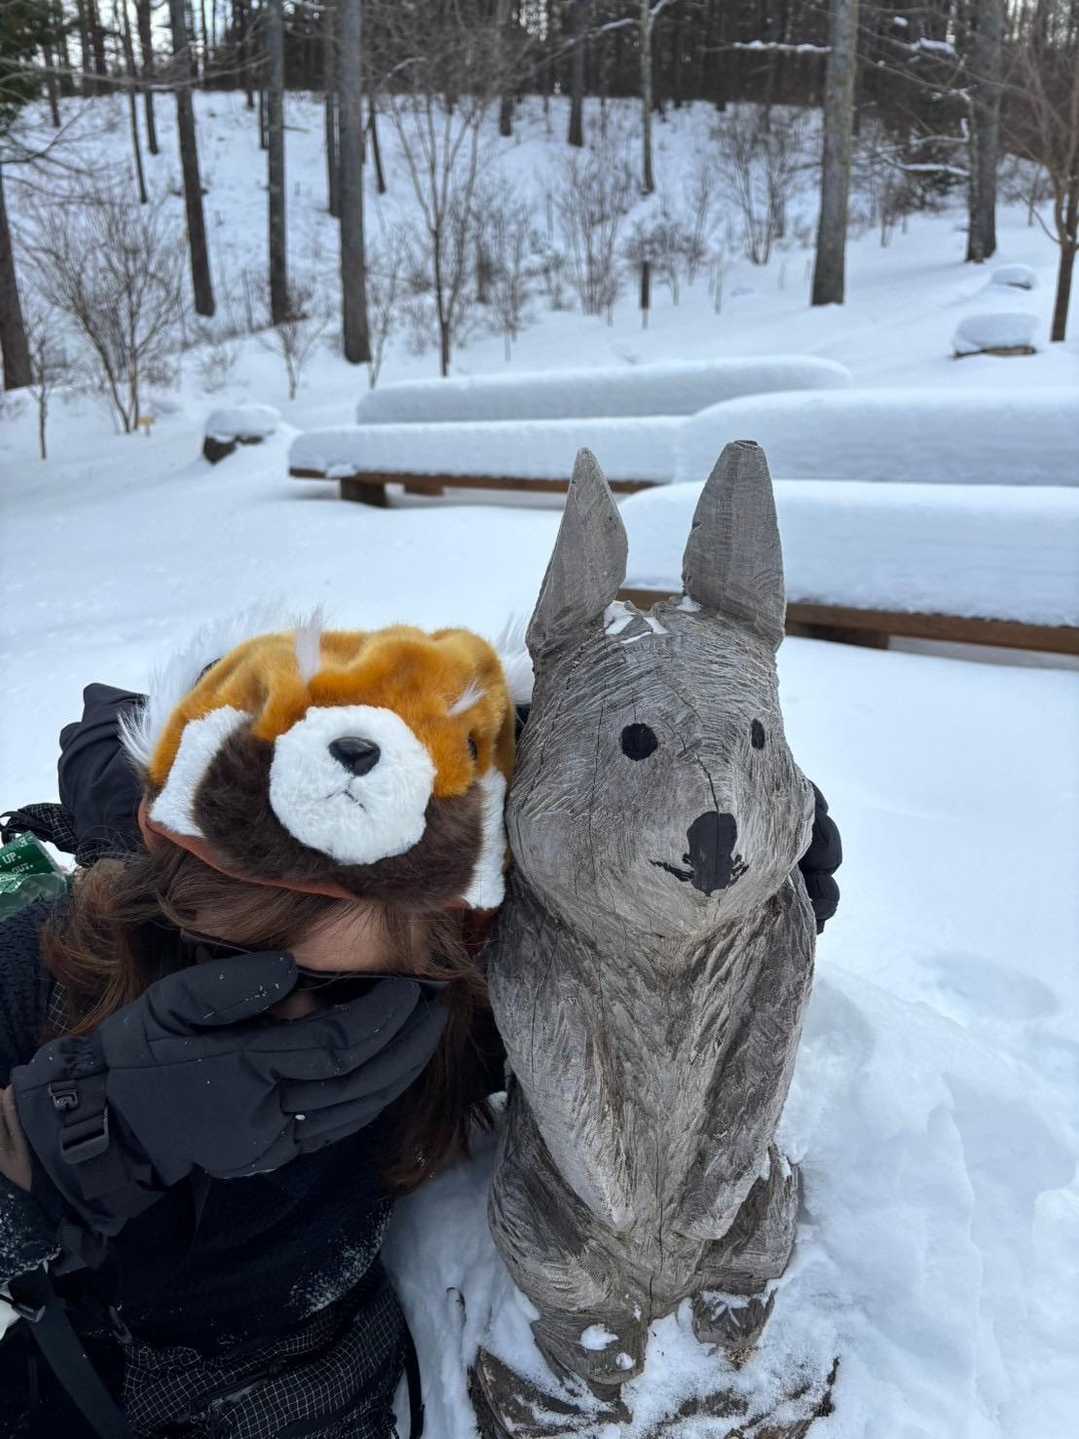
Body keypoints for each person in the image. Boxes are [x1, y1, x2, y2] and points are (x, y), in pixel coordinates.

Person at [0, 628, 841, 1439]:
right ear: (165, 902)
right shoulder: (40, 969)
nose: (285, 1024)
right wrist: (72, 1136)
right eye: (228, 963)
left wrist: (711, 867)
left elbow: (645, 977)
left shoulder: (448, 1023)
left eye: (342, 992)